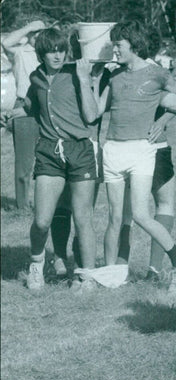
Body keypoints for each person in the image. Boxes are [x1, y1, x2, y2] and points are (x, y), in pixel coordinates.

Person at [94, 20, 176, 294]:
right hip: (113, 149)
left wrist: (163, 121)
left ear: (133, 44)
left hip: (142, 149)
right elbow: (96, 111)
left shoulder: (157, 73)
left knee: (141, 214)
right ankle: (112, 275)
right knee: (115, 217)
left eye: (118, 44)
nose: (114, 49)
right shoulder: (113, 74)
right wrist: (95, 77)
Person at [116, 56, 176, 282]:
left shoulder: (129, 68)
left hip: (136, 146)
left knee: (129, 212)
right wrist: (164, 119)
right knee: (158, 206)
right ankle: (148, 268)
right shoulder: (154, 70)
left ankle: (131, 267)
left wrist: (162, 120)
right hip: (150, 147)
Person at [21, 28, 103, 290]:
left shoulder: (74, 73)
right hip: (48, 151)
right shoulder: (36, 78)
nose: (57, 55)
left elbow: (91, 117)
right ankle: (36, 263)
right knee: (42, 219)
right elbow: (31, 106)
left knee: (82, 218)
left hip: (80, 149)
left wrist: (82, 78)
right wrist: (12, 111)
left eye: (60, 50)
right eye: (51, 51)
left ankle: (85, 276)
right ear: (41, 53)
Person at [2, 19, 46, 210]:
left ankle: (48, 202)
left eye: (40, 33)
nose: (37, 37)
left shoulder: (49, 54)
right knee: (24, 162)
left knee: (48, 159)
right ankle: (22, 206)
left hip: (46, 105)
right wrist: (28, 27)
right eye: (34, 34)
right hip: (24, 107)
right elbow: (5, 43)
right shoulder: (21, 52)